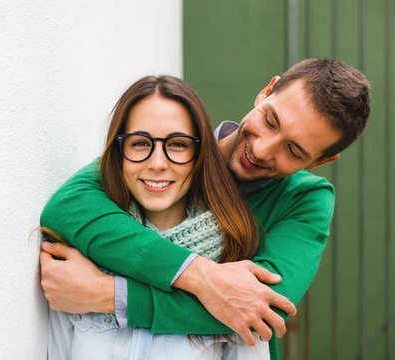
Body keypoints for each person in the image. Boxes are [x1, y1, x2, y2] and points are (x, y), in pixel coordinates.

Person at [40, 58, 371, 359]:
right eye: (270, 121)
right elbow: (68, 205)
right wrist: (200, 275)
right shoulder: (178, 150)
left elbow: (259, 311)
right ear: (266, 91)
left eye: (294, 151)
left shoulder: (305, 200)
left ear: (322, 161)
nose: (261, 149)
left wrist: (109, 294)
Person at [43, 74, 271, 359]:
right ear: (119, 152)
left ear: (200, 153)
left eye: (177, 144)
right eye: (139, 143)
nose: (157, 163)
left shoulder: (233, 270)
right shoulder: (78, 266)